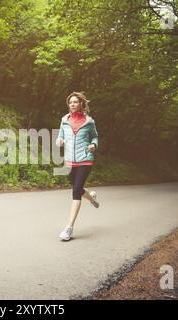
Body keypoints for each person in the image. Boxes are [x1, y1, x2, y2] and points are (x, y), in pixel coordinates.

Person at [56, 92, 99, 241]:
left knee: (75, 191)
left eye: (75, 102)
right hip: (69, 160)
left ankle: (69, 228)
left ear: (81, 104)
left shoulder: (89, 122)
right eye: (70, 102)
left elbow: (95, 137)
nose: (72, 104)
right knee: (78, 188)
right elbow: (59, 136)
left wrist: (93, 144)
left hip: (85, 159)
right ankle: (92, 199)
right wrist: (59, 141)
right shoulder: (64, 120)